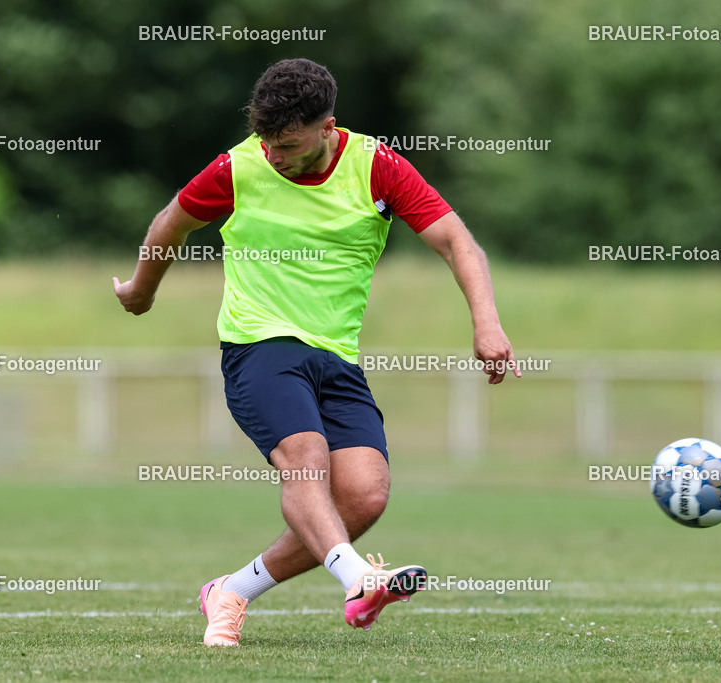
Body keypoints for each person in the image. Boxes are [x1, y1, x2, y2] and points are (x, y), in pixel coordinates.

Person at [113, 58, 520, 647]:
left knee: (364, 495)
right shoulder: (239, 166)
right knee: (305, 458)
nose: (274, 155)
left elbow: (455, 240)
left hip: (336, 357)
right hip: (259, 343)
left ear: (328, 126)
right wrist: (140, 291)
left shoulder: (376, 167)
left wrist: (487, 324)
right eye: (267, 142)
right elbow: (169, 226)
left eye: (288, 143)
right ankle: (360, 580)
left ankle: (230, 592)